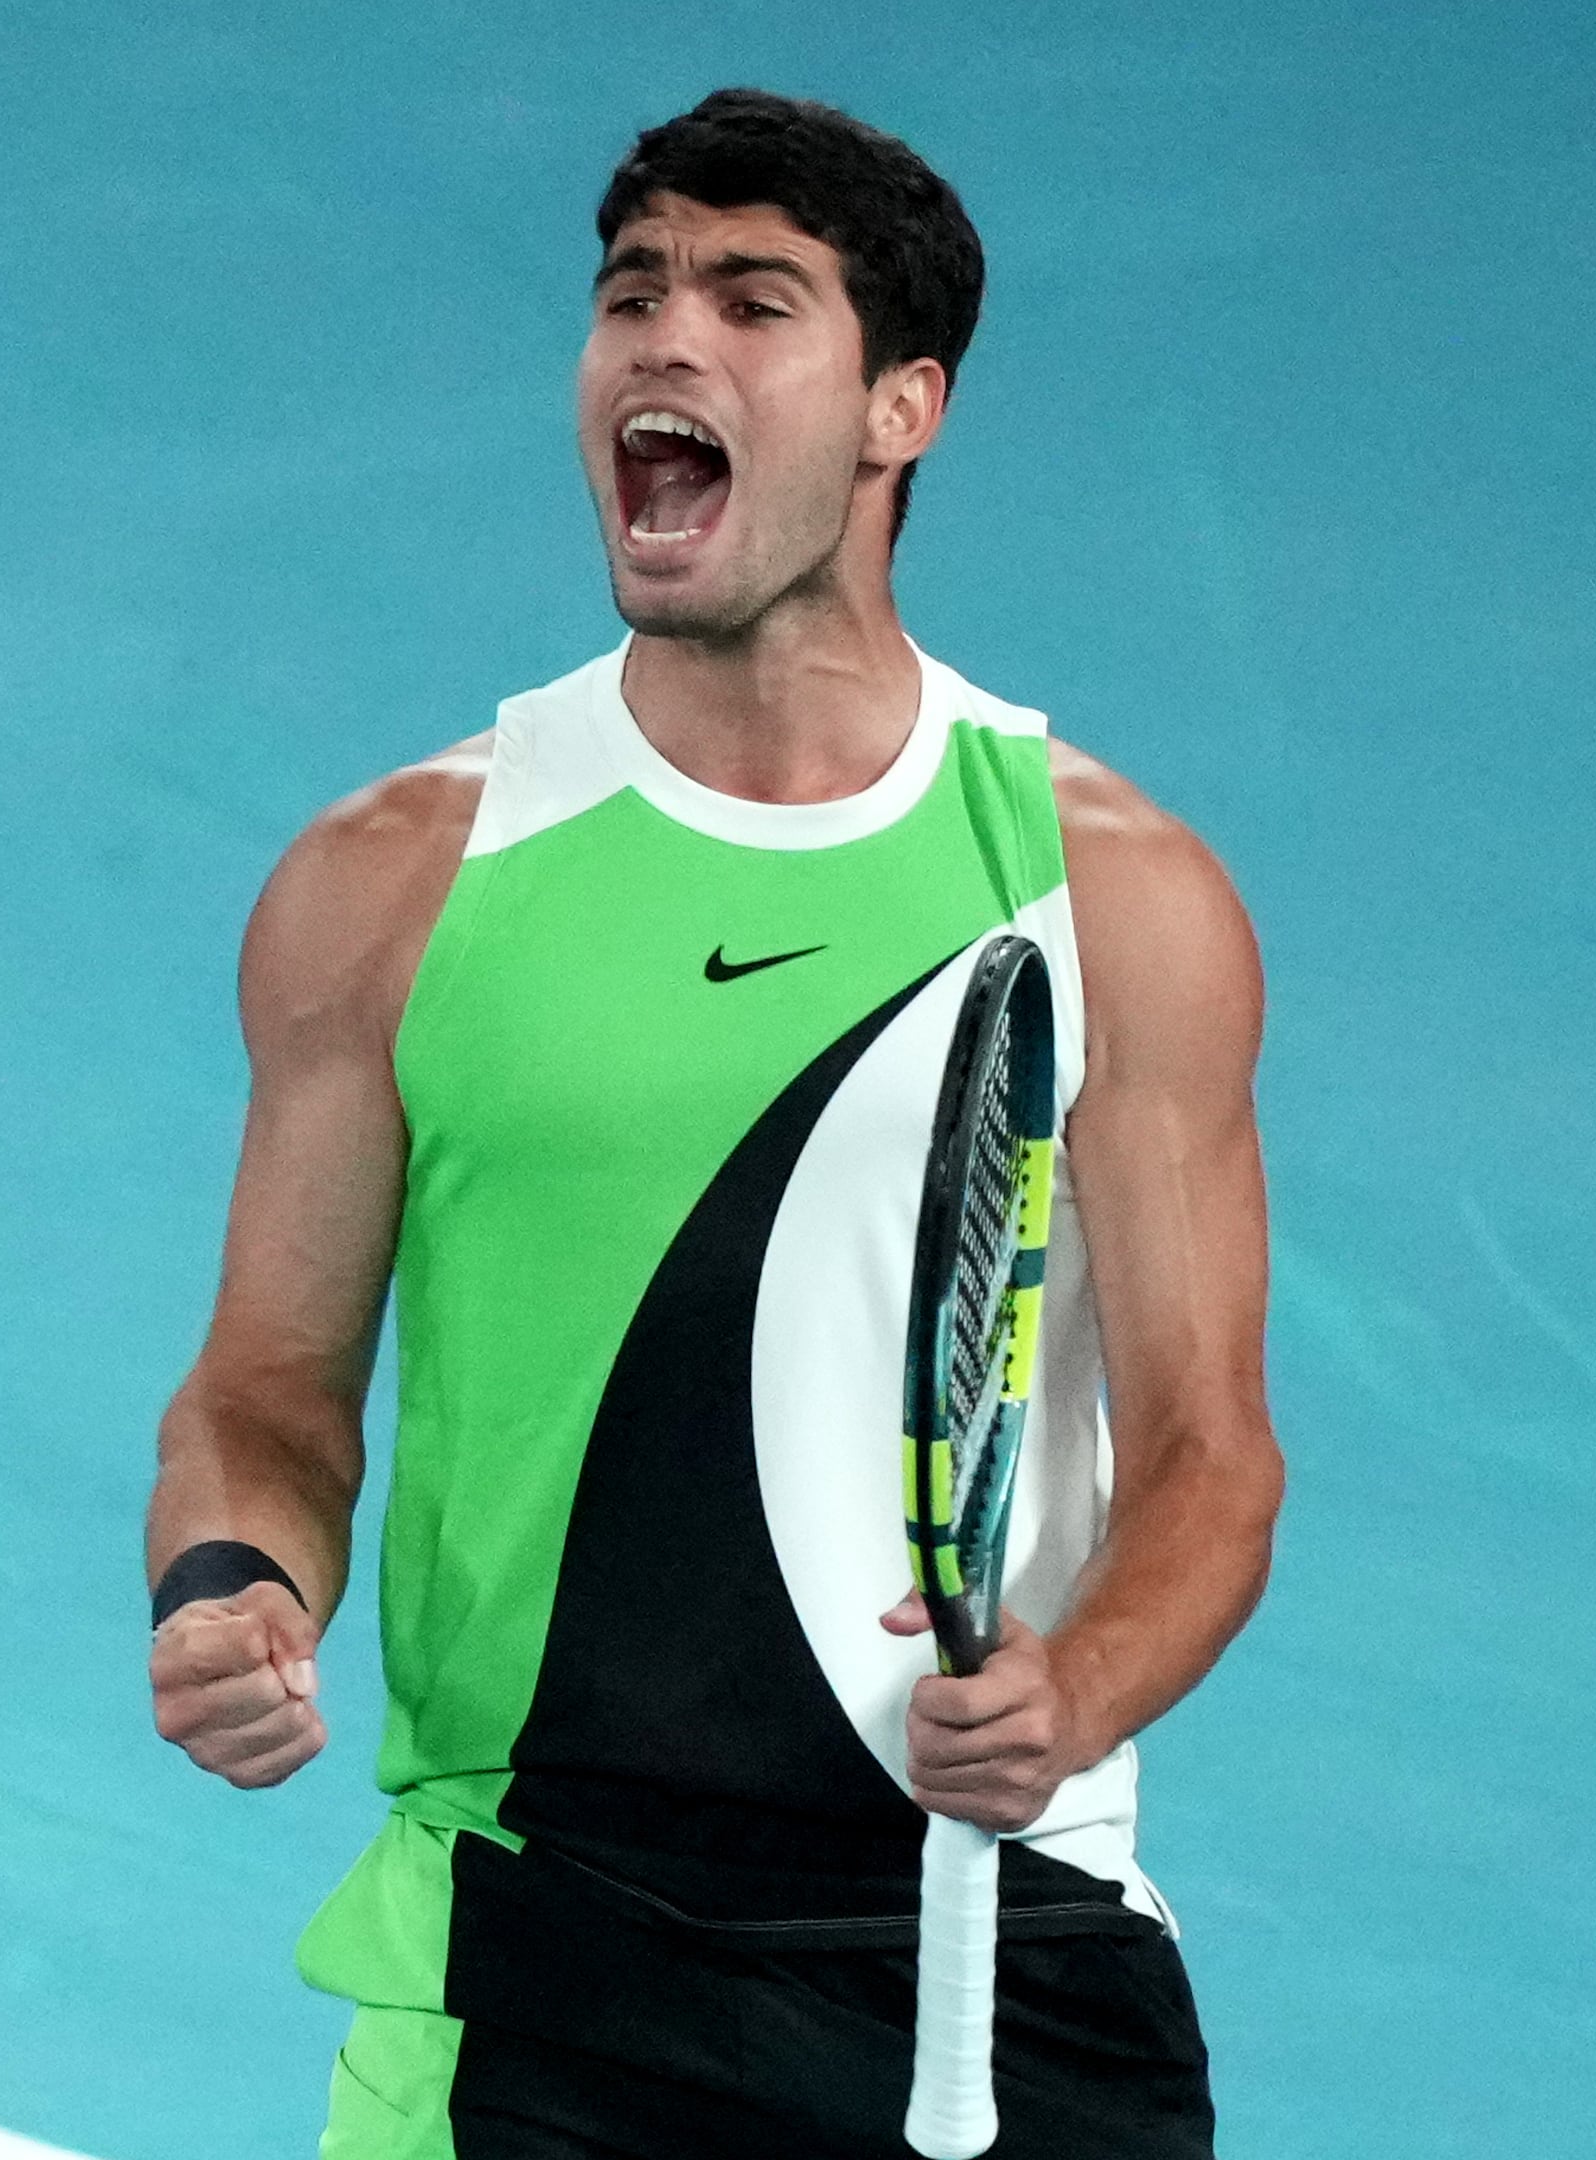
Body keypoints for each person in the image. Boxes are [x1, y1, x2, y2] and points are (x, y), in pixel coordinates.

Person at [142, 87, 1283, 2159]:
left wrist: (1078, 1687)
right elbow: (267, 1391)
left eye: (755, 303)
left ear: (900, 410)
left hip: (999, 1949)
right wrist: (233, 1583)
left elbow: (1212, 1461)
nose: (666, 340)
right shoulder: (395, 883)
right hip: (537, 1956)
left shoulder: (1110, 894)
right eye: (633, 294)